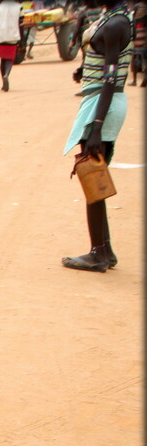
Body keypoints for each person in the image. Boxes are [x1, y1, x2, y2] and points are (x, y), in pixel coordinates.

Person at [62, 0, 133, 272]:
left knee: (92, 175)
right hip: (100, 101)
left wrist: (97, 125)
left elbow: (111, 78)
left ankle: (99, 252)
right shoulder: (112, 18)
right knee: (94, 173)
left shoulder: (116, 23)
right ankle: (105, 249)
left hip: (103, 105)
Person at [0, 0, 21, 91]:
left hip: (1, 36)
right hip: (13, 36)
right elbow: (21, 24)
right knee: (9, 58)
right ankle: (6, 75)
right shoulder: (19, 7)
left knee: (3, 59)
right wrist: (22, 40)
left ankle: (3, 81)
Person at [130, 0, 147, 86]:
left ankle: (134, 80)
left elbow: (132, 20)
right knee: (144, 58)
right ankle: (144, 77)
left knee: (135, 57)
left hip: (138, 32)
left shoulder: (137, 6)